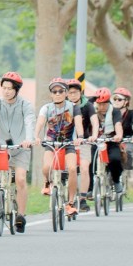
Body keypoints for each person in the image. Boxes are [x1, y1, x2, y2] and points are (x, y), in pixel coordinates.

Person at [0, 72, 35, 233]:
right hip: (2, 146)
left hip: (21, 148)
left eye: (10, 89)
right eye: (4, 88)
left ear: (17, 90)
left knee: (21, 179)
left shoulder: (26, 105)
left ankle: (21, 216)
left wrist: (29, 139)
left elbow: (30, 121)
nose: (6, 91)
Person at [36, 77, 82, 217]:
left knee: (72, 169)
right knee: (46, 167)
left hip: (68, 143)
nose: (57, 94)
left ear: (66, 92)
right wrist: (36, 136)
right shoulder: (46, 108)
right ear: (51, 94)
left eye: (60, 91)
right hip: (51, 142)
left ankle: (71, 202)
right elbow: (40, 123)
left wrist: (79, 137)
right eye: (54, 91)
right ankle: (47, 183)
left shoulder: (74, 108)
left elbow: (79, 125)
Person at [90, 87, 125, 194]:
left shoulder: (115, 111)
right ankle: (91, 188)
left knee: (115, 159)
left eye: (104, 103)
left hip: (111, 141)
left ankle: (116, 181)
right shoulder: (92, 111)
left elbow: (118, 124)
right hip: (97, 141)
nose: (102, 106)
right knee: (91, 164)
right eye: (99, 104)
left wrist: (118, 135)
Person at [69, 78, 97, 211]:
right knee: (68, 169)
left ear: (80, 93)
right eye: (69, 92)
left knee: (85, 168)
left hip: (84, 141)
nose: (72, 95)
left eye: (75, 92)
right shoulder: (63, 105)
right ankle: (66, 195)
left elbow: (95, 122)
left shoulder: (88, 105)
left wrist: (94, 135)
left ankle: (82, 198)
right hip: (66, 141)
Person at [114, 87, 133, 187]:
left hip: (128, 139)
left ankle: (128, 169)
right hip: (113, 139)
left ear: (126, 101)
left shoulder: (131, 113)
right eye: (115, 99)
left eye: (119, 99)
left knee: (128, 151)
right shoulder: (111, 112)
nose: (116, 101)